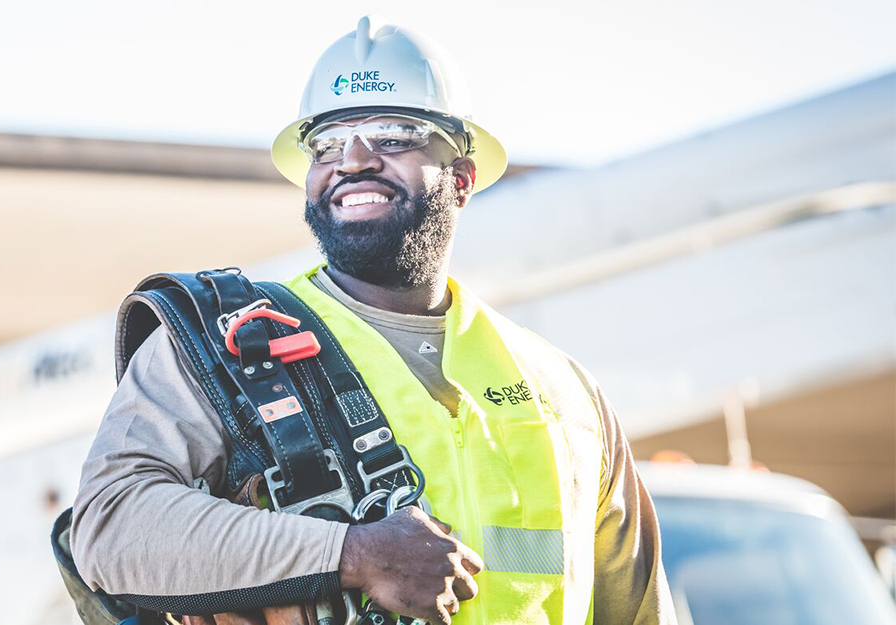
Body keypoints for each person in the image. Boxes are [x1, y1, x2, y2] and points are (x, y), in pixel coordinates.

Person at [69, 16, 675, 625]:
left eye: (392, 135)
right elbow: (110, 527)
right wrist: (351, 555)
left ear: (461, 179)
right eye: (327, 143)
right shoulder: (224, 347)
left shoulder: (567, 393)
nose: (352, 160)